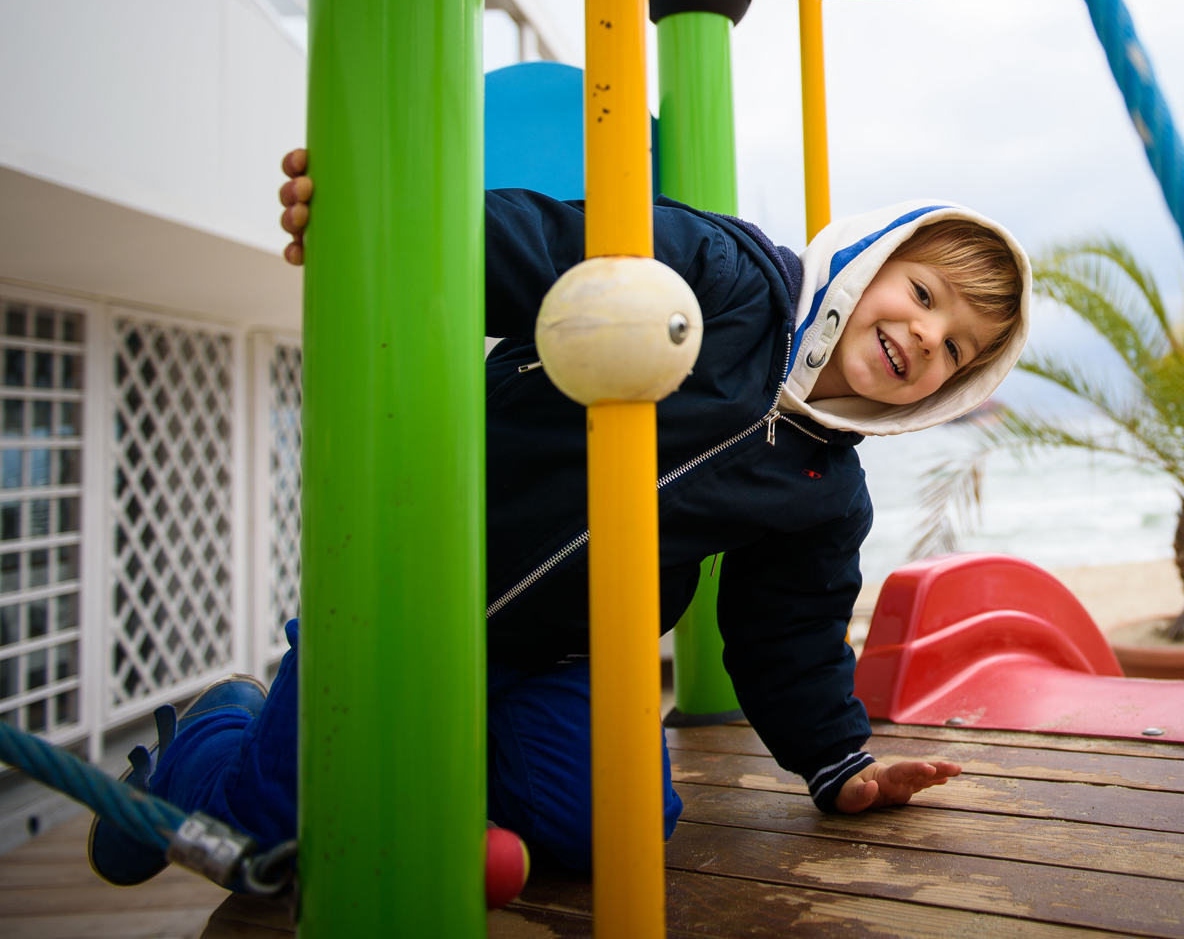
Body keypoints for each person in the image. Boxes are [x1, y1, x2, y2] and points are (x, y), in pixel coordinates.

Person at [89, 149, 1029, 883]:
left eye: (957, 350)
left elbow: (789, 629)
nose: (925, 335)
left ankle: (435, 775)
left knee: (614, 828)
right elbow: (550, 247)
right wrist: (387, 213)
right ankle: (212, 737)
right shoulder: (728, 277)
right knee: (274, 827)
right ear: (870, 258)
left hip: (563, 653)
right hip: (410, 583)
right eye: (923, 293)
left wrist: (838, 761)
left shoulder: (824, 487)